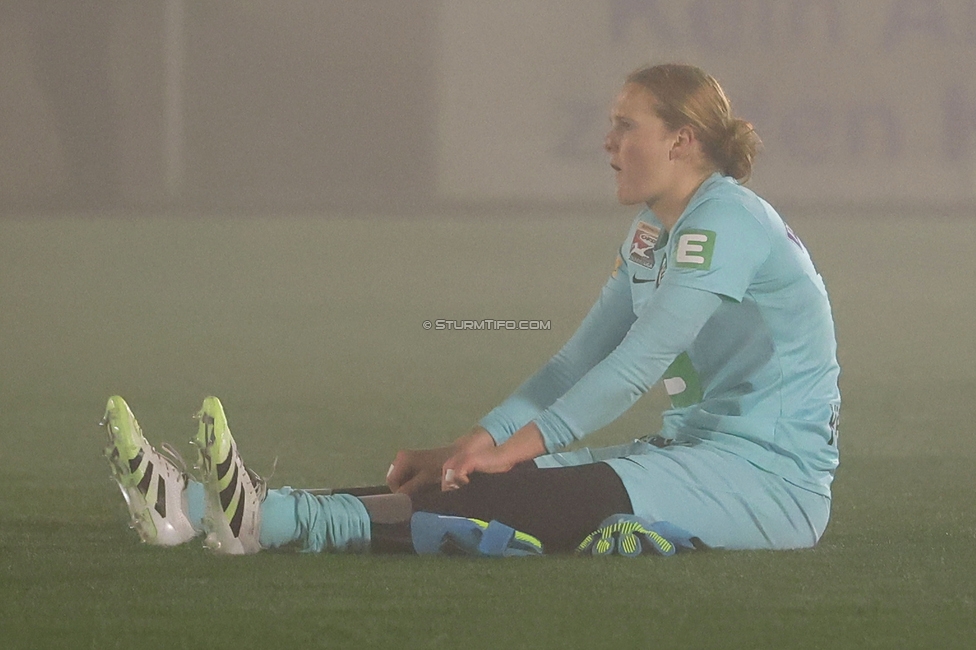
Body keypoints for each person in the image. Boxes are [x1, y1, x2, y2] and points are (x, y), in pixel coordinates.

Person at [101, 64, 840, 557]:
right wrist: (473, 444)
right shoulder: (655, 231)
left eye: (626, 126)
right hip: (698, 458)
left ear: (681, 140)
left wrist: (514, 448)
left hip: (770, 485)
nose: (607, 142)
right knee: (465, 483)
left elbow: (639, 362)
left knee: (527, 491)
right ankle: (201, 506)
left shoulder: (727, 223)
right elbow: (574, 364)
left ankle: (270, 522)